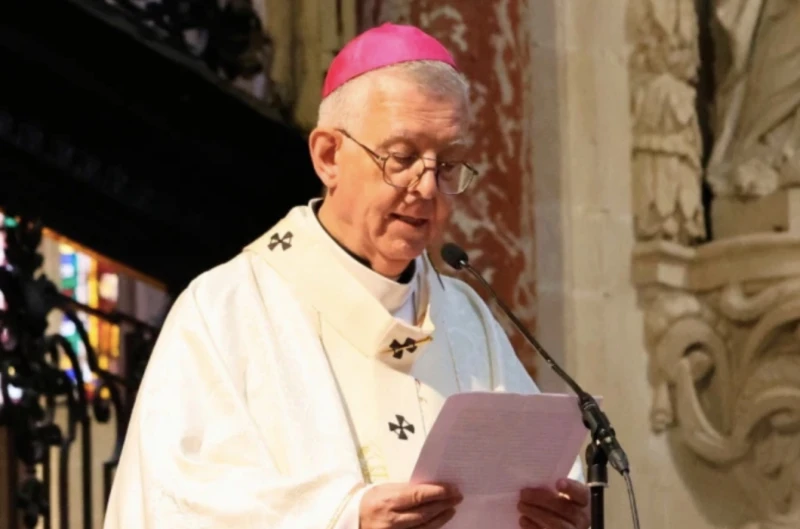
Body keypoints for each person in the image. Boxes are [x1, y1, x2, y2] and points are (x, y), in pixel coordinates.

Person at [104, 23, 590, 529]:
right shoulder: (225, 309)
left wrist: (557, 517)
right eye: (402, 158)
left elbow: (540, 481)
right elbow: (170, 504)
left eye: (447, 164)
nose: (427, 188)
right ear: (328, 156)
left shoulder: (466, 320)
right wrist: (343, 518)